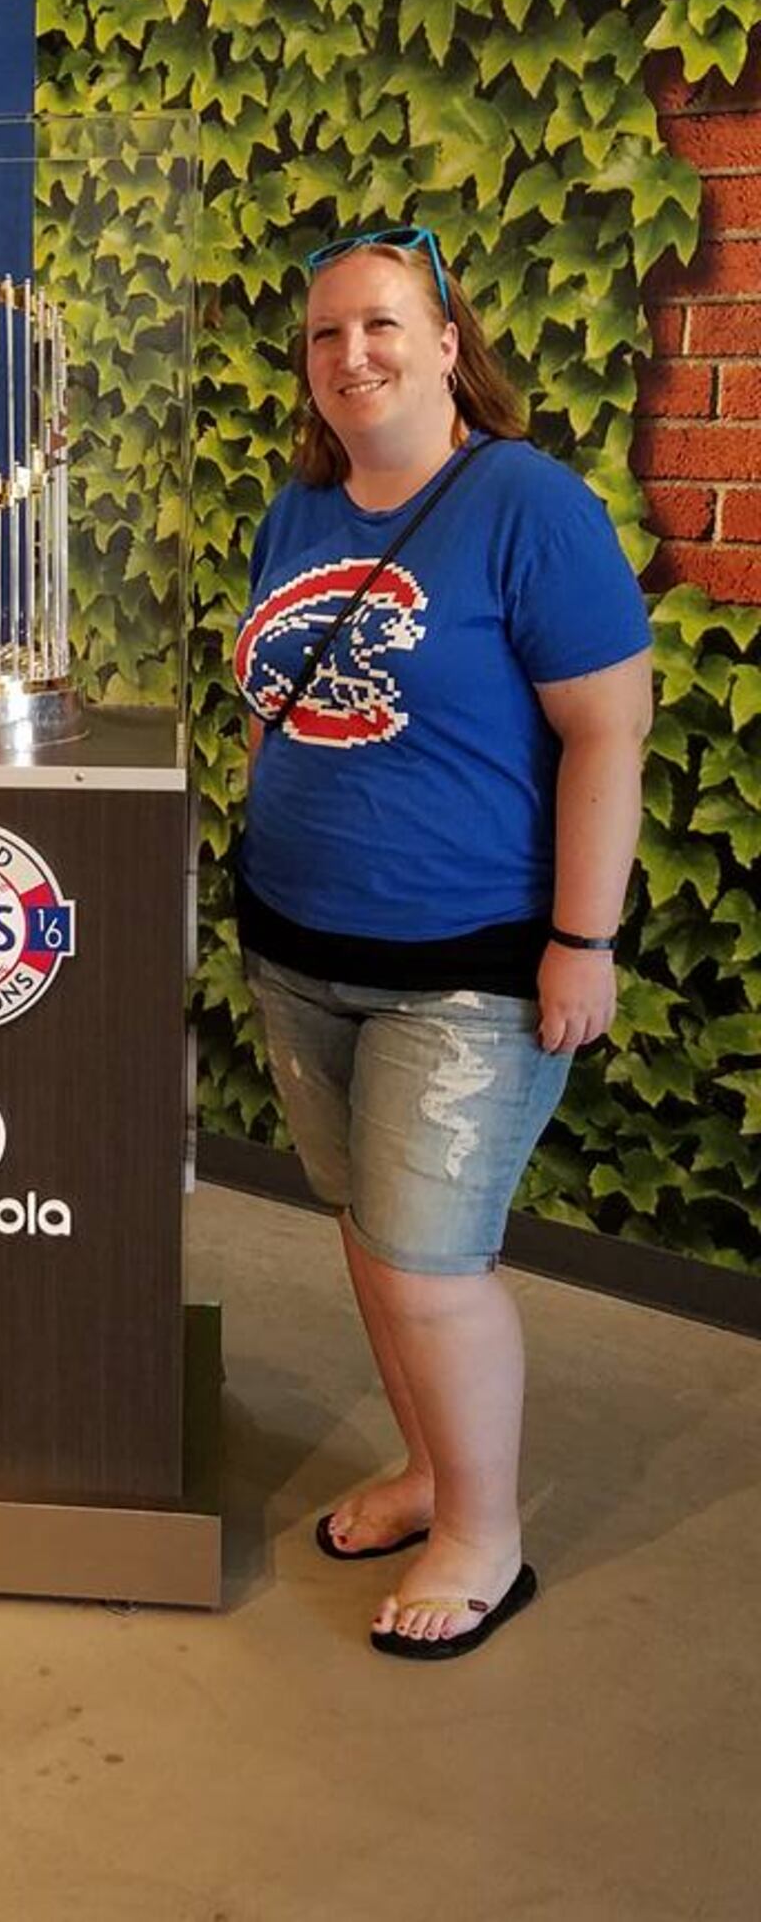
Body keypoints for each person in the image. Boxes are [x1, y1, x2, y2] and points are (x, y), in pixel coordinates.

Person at [232, 225, 652, 1659]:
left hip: (467, 969)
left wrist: (582, 939)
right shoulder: (296, 514)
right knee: (371, 1236)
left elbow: (609, 728)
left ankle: (487, 1533)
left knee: (428, 1260)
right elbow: (267, 700)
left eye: (383, 324)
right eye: (327, 333)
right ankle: (427, 1468)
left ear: (449, 338)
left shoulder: (527, 505)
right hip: (296, 946)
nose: (353, 353)